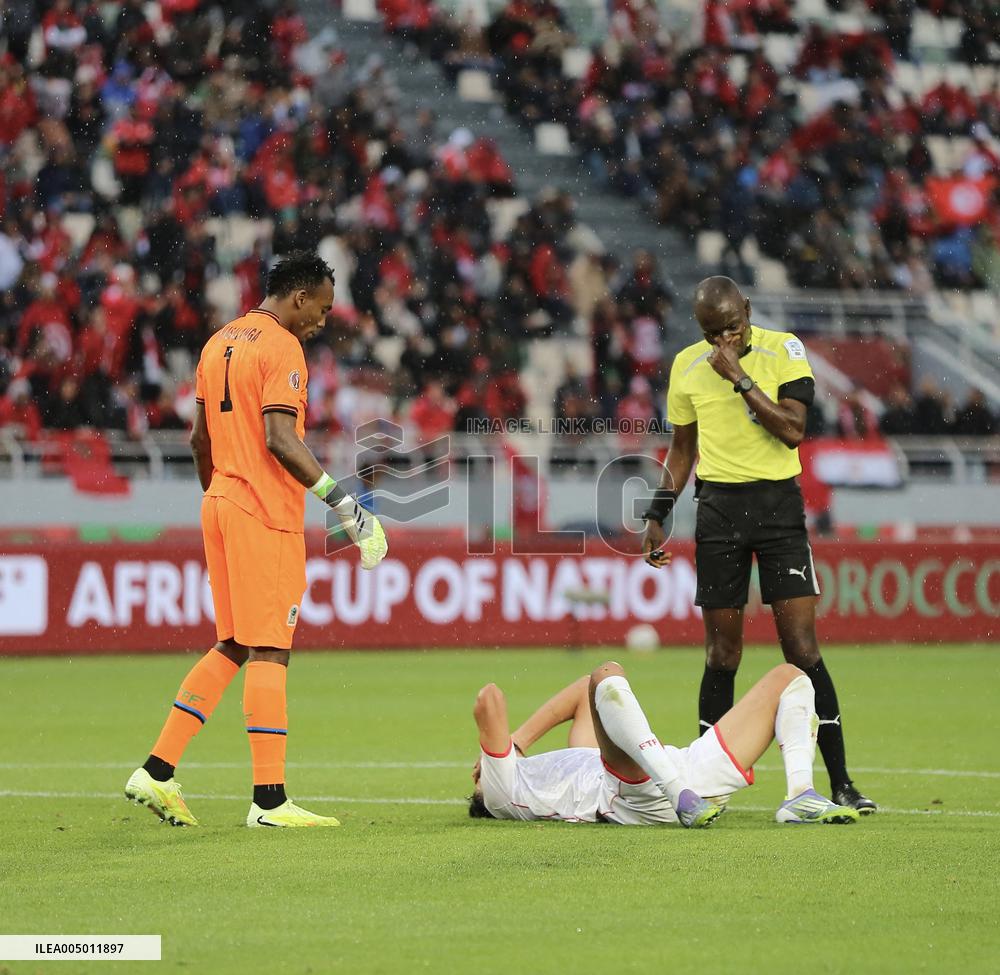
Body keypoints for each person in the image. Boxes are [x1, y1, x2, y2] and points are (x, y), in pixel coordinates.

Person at [125, 253, 388, 828]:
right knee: (270, 647)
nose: (322, 321)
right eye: (321, 309)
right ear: (298, 298)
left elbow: (199, 441)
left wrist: (222, 494)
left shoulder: (218, 342)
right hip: (263, 512)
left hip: (219, 502)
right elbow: (279, 438)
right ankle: (269, 801)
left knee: (234, 643)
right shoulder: (282, 347)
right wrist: (344, 503)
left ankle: (157, 771)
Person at [641, 276, 876, 814]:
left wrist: (740, 378)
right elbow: (683, 449)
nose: (724, 340)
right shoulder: (687, 366)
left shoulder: (784, 349)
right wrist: (657, 511)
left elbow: (793, 430)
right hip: (718, 511)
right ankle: (705, 787)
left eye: (732, 326)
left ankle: (841, 782)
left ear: (747, 309)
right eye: (712, 334)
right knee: (722, 654)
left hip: (778, 511)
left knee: (802, 650)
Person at [469, 658, 859, 826]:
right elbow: (490, 698)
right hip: (628, 796)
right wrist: (507, 749)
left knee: (789, 678)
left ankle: (800, 794)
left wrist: (518, 743)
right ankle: (678, 794)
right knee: (607, 672)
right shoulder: (501, 793)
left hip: (682, 770)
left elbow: (583, 693)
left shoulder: (567, 764)